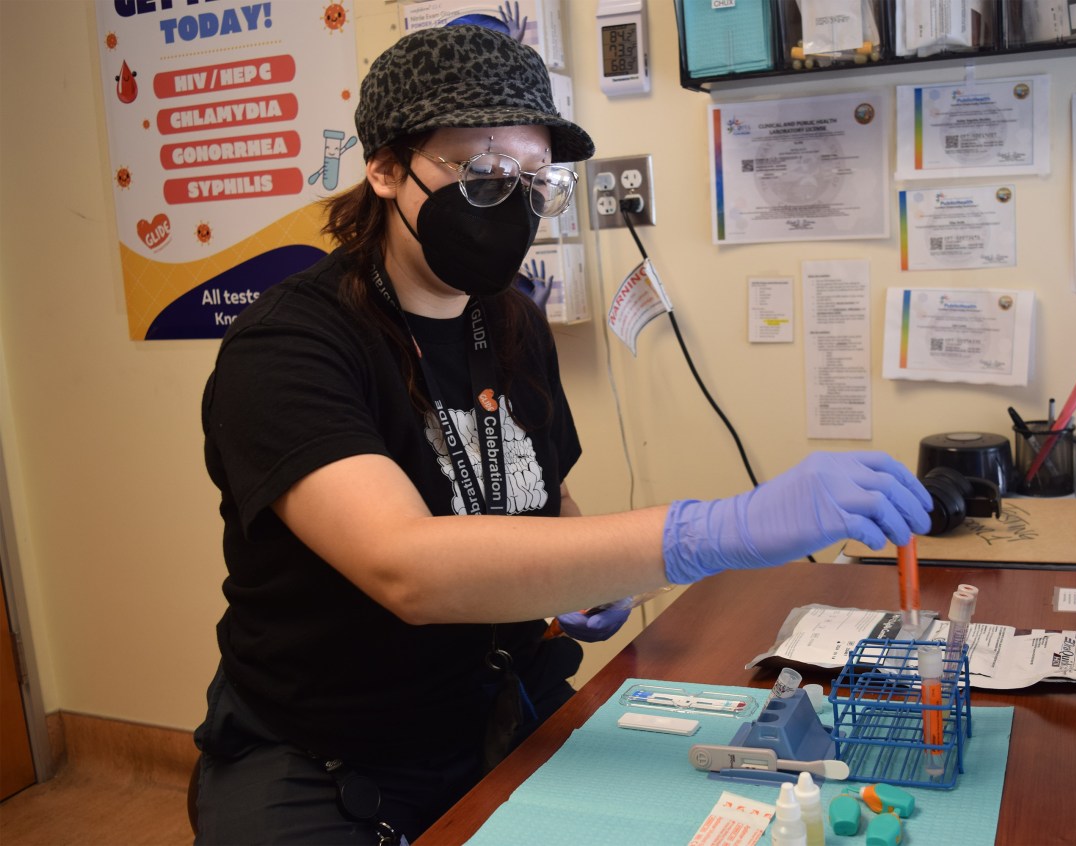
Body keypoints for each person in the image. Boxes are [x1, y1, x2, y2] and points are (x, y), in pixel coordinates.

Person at [192, 25, 933, 846]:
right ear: (385, 165)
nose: (512, 201)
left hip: (501, 706)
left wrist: (579, 564)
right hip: (330, 755)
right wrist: (713, 532)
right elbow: (403, 567)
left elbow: (545, 491)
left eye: (534, 178)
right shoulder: (291, 346)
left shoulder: (509, 320)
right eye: (481, 173)